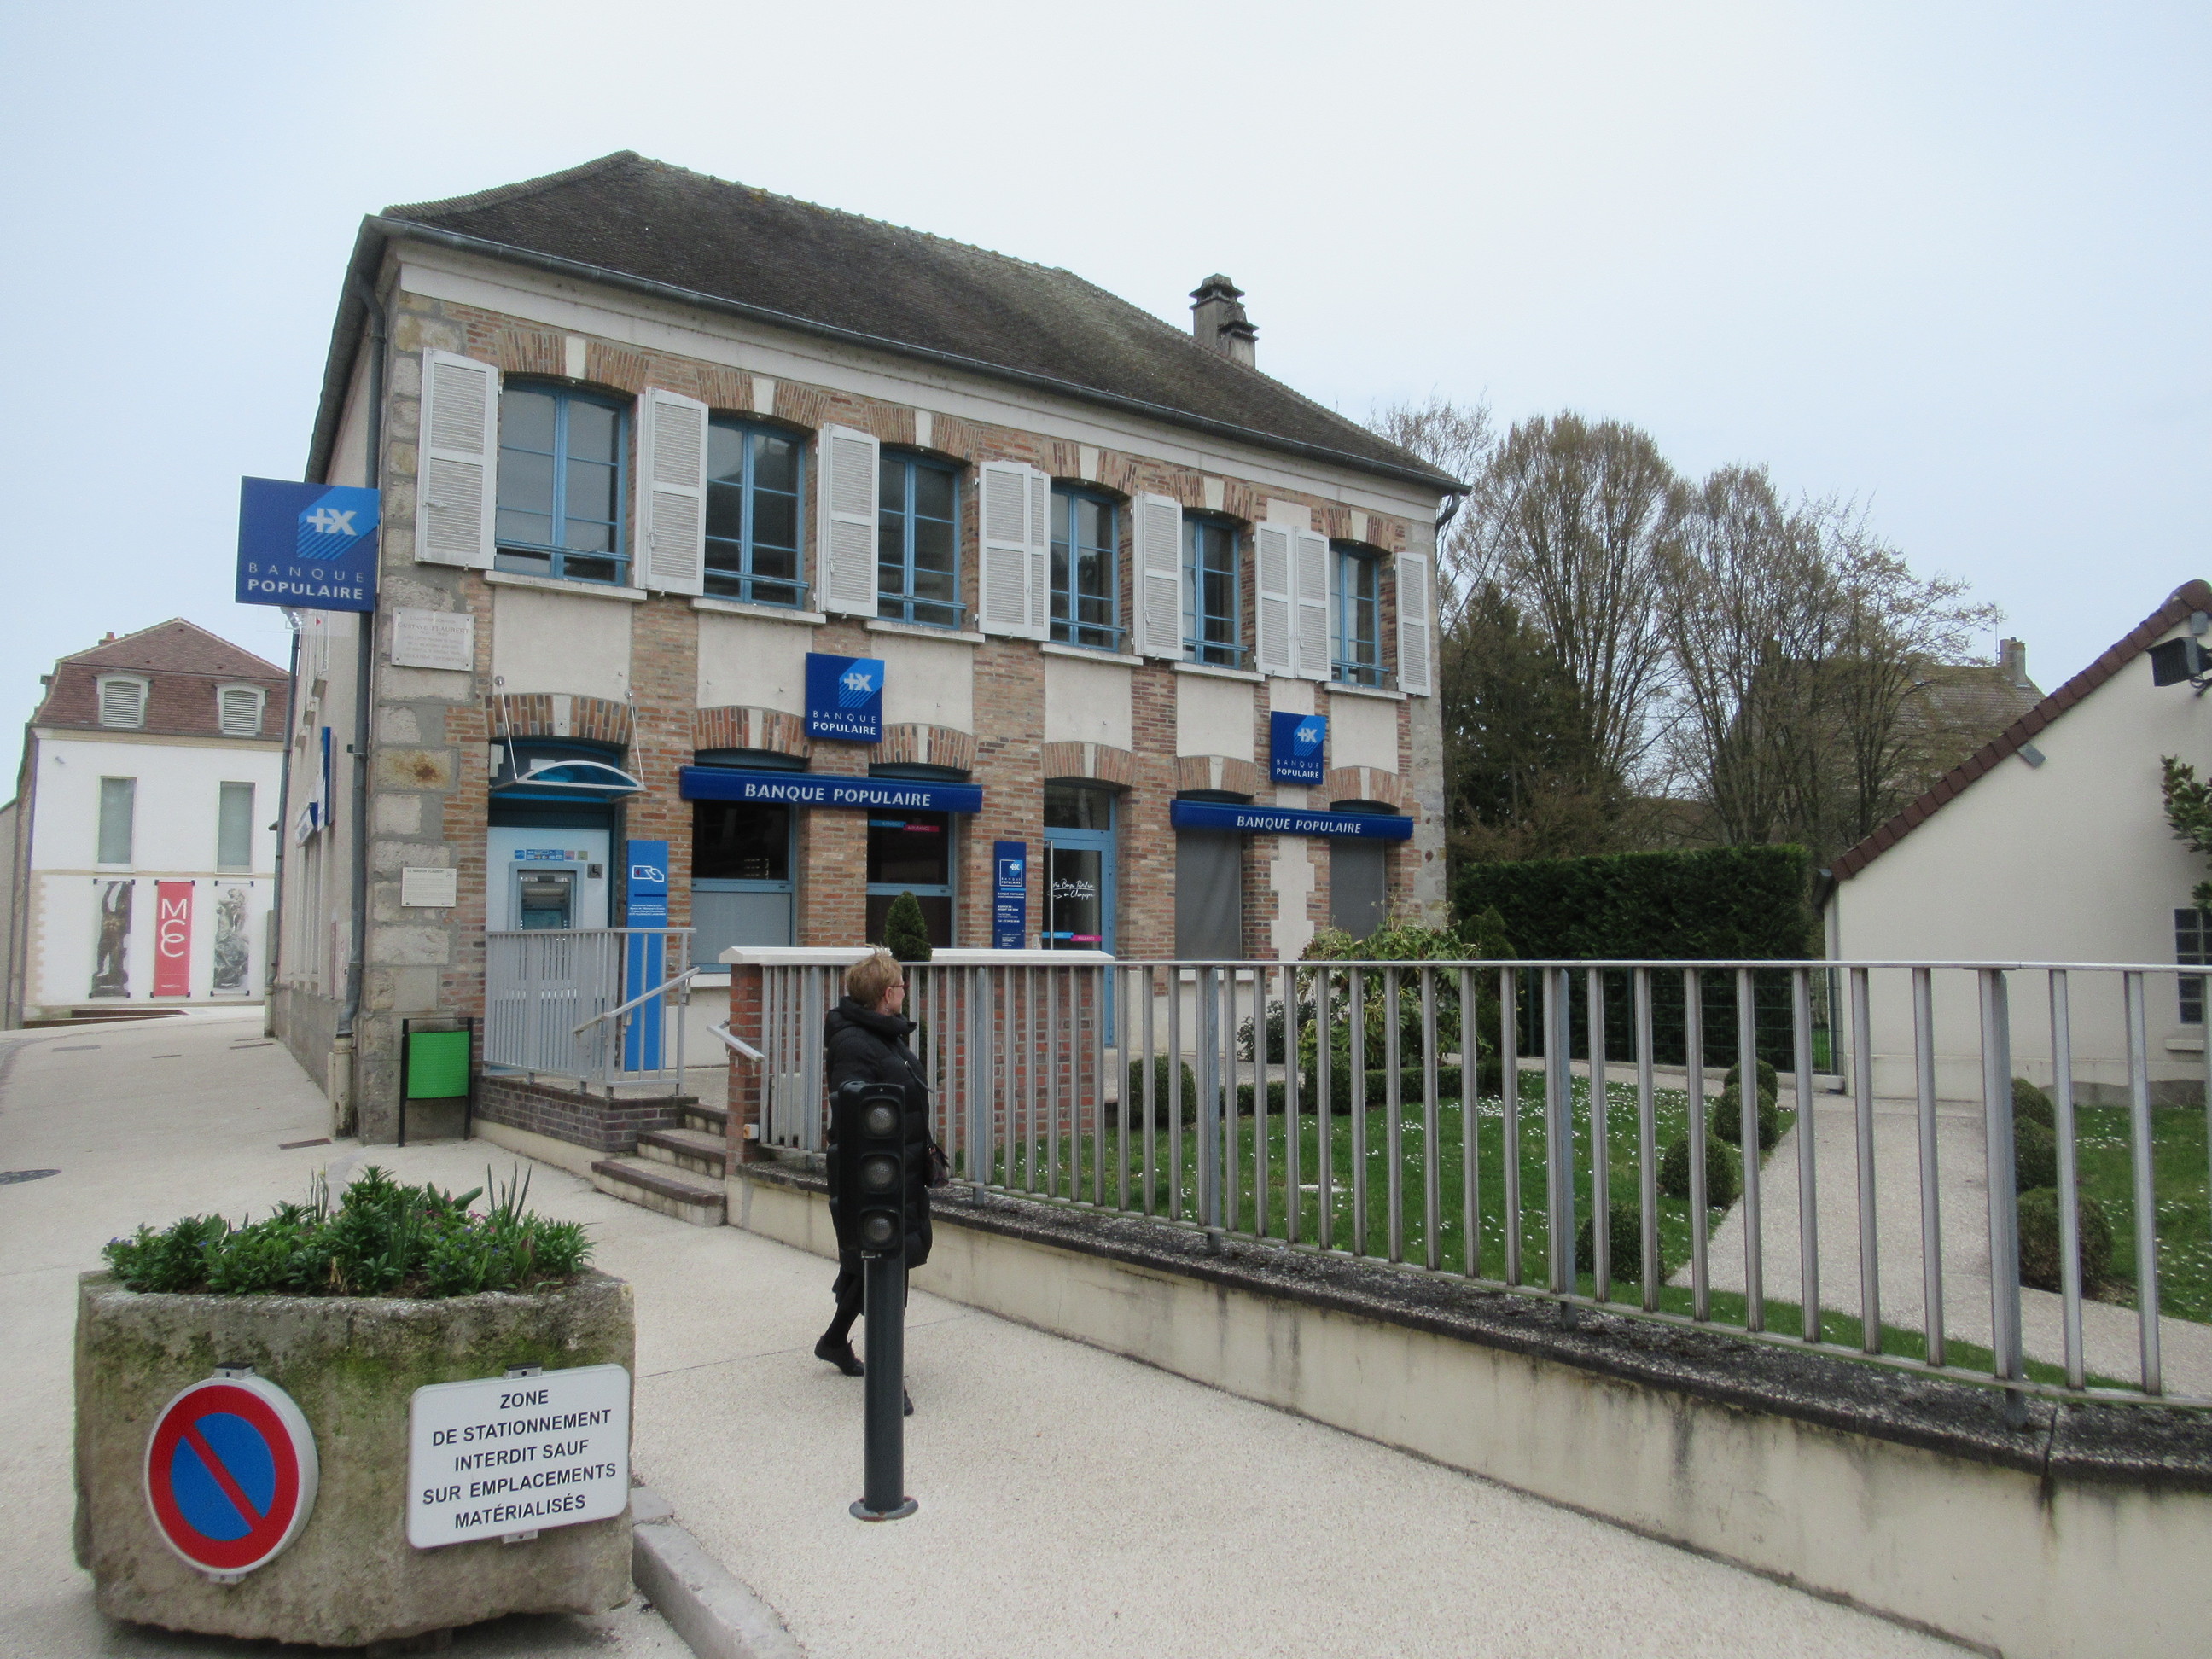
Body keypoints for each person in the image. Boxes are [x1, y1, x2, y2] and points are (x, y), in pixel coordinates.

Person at [816, 947, 933, 1413]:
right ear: (887, 994)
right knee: (887, 1266)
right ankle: (889, 1380)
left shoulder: (884, 1035)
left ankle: (834, 1341)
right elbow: (857, 1111)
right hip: (875, 1177)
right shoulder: (855, 1043)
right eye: (902, 985)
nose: (906, 992)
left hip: (897, 1168)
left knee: (869, 1265)